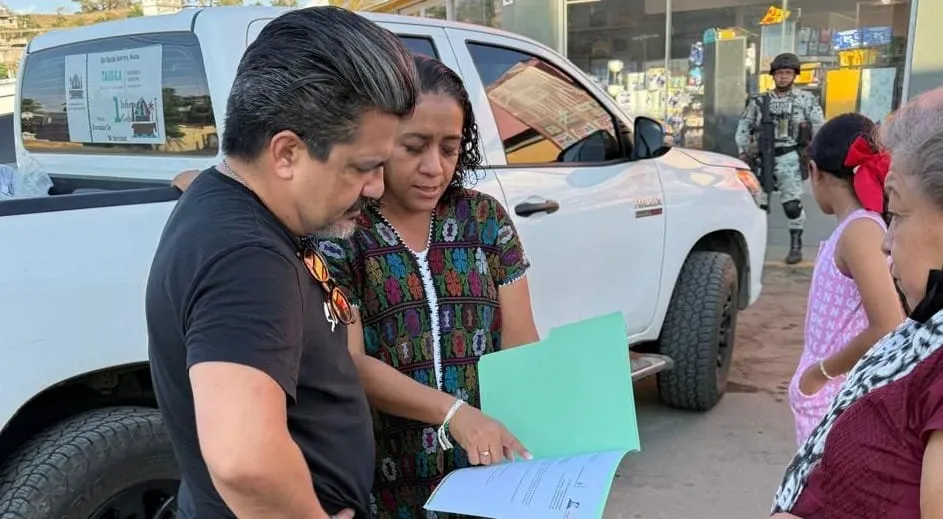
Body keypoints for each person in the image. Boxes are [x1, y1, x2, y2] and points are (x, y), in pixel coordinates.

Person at [145, 7, 417, 519]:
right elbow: (244, 461)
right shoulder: (248, 258)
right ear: (287, 153)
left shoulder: (225, 197)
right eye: (363, 167)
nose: (377, 187)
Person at [314, 55, 539, 518]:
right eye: (413, 146)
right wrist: (454, 414)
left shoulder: (484, 220)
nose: (434, 167)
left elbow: (520, 342)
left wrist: (555, 437)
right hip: (387, 479)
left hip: (486, 469)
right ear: (377, 144)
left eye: (450, 148)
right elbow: (351, 363)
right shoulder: (346, 231)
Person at [769, 86, 943, 518]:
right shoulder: (922, 332)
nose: (887, 243)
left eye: (898, 214)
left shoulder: (859, 233)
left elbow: (883, 319)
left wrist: (822, 372)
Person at [787, 113, 904, 446]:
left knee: (827, 491)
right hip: (832, 391)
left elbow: (889, 324)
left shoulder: (860, 231)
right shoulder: (855, 228)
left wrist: (819, 373)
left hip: (838, 393)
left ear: (815, 172)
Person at [736, 52, 825, 265]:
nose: (783, 77)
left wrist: (815, 150)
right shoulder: (759, 101)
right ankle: (754, 248)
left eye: (787, 73)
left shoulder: (805, 99)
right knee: (759, 205)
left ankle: (796, 246)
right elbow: (744, 125)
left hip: (789, 156)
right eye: (779, 73)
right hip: (762, 158)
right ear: (773, 76)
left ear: (794, 75)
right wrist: (742, 150)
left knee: (792, 205)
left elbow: (819, 125)